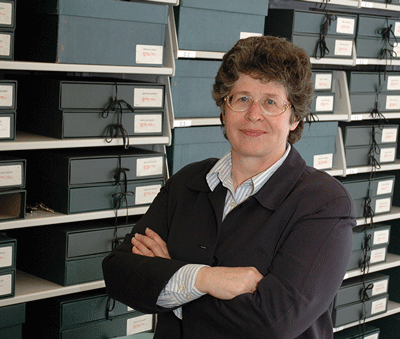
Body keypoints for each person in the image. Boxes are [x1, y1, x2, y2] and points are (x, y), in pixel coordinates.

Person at [102, 36, 356, 339]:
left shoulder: (324, 202)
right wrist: (204, 279)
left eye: (271, 102)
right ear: (224, 109)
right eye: (242, 98)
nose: (253, 114)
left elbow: (274, 322)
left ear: (295, 117)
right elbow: (118, 272)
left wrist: (173, 283)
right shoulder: (187, 183)